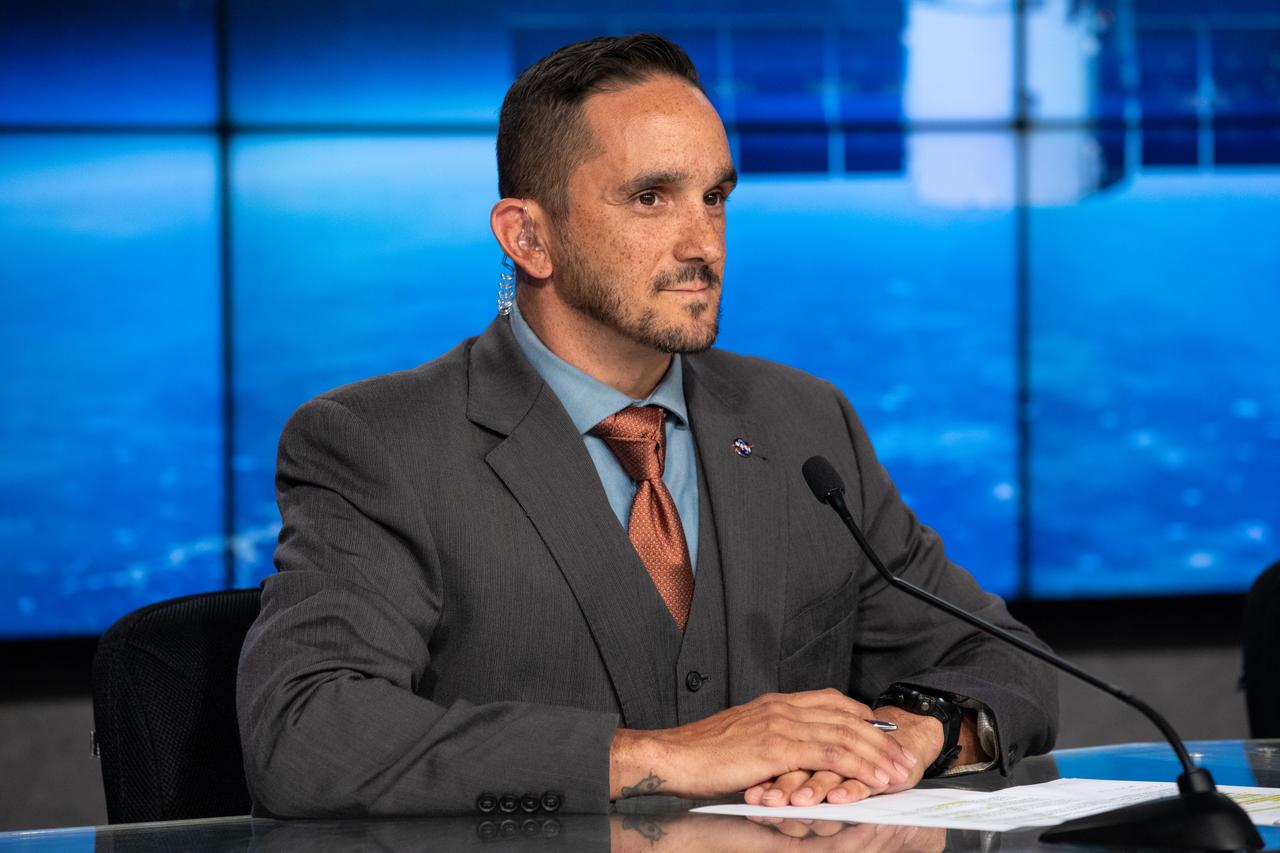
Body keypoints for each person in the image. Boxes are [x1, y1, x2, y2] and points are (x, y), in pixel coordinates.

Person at [236, 33, 1057, 818]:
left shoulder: (805, 420)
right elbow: (306, 729)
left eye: (716, 197)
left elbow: (1009, 664)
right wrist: (660, 756)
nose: (702, 241)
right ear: (529, 236)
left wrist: (910, 737)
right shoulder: (381, 443)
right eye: (651, 198)